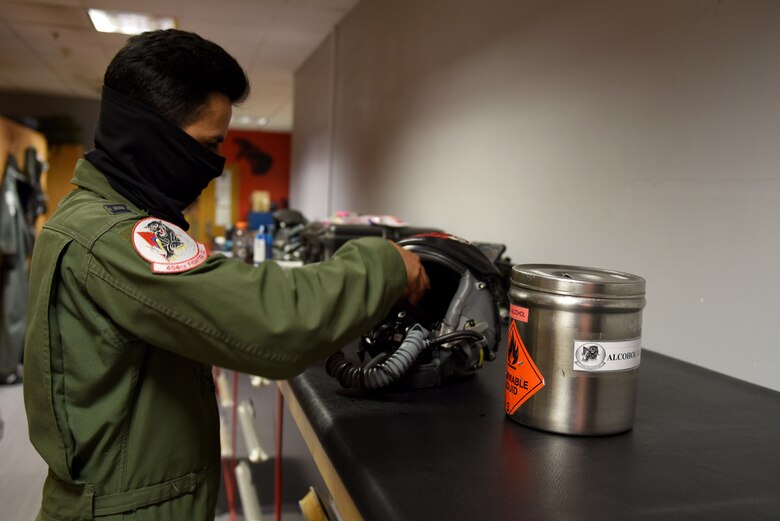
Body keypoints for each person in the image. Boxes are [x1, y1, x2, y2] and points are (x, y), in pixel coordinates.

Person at [24, 29, 429, 521]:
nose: (212, 166)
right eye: (207, 145)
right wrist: (386, 263)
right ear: (154, 136)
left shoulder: (96, 216)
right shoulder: (110, 235)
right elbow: (269, 320)